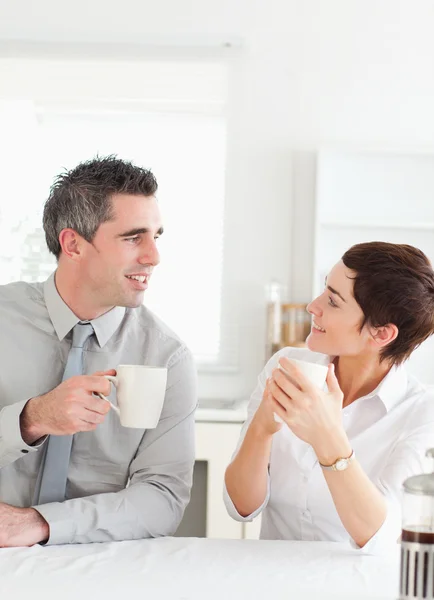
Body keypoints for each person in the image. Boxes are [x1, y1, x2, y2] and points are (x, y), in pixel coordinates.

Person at [0, 156, 197, 546]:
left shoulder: (167, 357)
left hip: (98, 562)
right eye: (132, 237)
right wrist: (29, 420)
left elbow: (164, 499)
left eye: (156, 236)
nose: (153, 256)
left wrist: (40, 523)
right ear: (73, 244)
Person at [224, 242, 434, 554]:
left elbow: (381, 536)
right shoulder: (287, 366)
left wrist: (328, 440)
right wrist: (262, 427)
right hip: (270, 578)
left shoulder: (420, 413)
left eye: (333, 302)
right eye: (325, 290)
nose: (313, 306)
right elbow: (241, 506)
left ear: (381, 334)